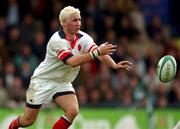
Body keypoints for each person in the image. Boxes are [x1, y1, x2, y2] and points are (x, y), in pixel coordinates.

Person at [8, 6, 132, 129]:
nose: (78, 23)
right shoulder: (56, 40)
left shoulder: (84, 37)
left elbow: (98, 52)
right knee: (28, 120)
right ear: (64, 23)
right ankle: (11, 127)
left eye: (79, 19)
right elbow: (72, 61)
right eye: (74, 20)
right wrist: (97, 53)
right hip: (43, 81)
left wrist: (113, 65)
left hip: (63, 82)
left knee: (72, 111)